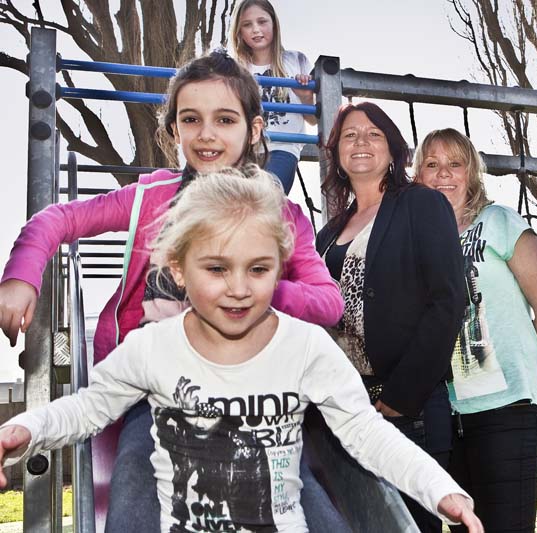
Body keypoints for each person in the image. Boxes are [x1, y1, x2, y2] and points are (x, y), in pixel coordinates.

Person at [0, 167, 483, 533]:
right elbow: (88, 410)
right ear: (180, 269)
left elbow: (365, 433)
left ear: (279, 268)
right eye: (216, 269)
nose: (238, 289)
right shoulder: (153, 349)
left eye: (258, 270)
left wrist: (439, 487)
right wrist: (27, 427)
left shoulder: (305, 347)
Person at [0, 51, 343, 531]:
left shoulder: (280, 214)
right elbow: (60, 218)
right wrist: (21, 275)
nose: (206, 134)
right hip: (158, 388)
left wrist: (262, 295)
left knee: (300, 498)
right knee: (140, 481)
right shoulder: (151, 196)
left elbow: (329, 301)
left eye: (225, 119)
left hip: (253, 391)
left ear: (255, 128)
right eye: (191, 119)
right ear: (175, 129)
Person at [315, 102, 466, 533]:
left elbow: (448, 301)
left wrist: (401, 397)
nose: (360, 141)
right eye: (349, 135)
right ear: (337, 154)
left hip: (406, 408)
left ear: (394, 149)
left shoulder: (422, 205)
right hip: (345, 409)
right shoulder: (327, 234)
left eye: (373, 133)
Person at [414, 128, 537, 532]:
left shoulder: (498, 221)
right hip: (447, 415)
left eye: (455, 163)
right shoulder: (418, 241)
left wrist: (531, 384)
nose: (443, 173)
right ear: (418, 176)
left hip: (508, 410)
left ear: (472, 173)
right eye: (431, 165)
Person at [229, 0, 316, 194]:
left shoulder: (295, 60)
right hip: (243, 149)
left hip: (282, 147)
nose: (256, 29)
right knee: (233, 202)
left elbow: (312, 119)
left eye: (262, 22)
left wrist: (305, 97)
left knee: (268, 196)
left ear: (274, 24)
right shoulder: (234, 69)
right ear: (239, 32)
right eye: (247, 24)